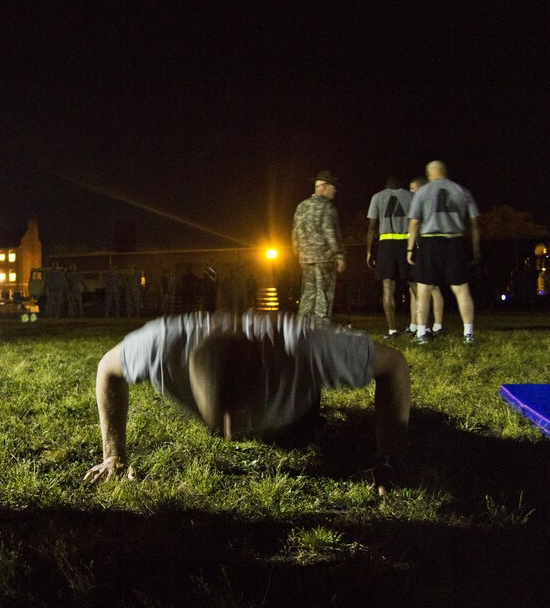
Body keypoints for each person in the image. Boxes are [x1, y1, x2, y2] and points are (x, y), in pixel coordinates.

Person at [82, 311, 411, 494]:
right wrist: (113, 456)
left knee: (297, 436)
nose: (229, 433)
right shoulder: (161, 345)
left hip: (295, 417)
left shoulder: (306, 348)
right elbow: (107, 369)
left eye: (239, 413)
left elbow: (393, 365)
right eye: (218, 413)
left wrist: (389, 460)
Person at [407, 161, 480, 344]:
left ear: (429, 174)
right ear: (444, 172)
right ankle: (468, 334)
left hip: (430, 242)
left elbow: (414, 222)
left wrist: (410, 248)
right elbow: (474, 223)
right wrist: (475, 249)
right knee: (461, 289)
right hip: (454, 241)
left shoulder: (422, 192)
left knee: (423, 289)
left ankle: (422, 334)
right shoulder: (462, 191)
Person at [292, 171, 345, 322]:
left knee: (308, 294)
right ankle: (321, 327)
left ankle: (302, 327)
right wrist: (339, 256)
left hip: (306, 259)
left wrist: (299, 252)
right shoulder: (327, 207)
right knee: (324, 293)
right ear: (324, 187)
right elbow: (330, 233)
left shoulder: (301, 206)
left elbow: (294, 232)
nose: (334, 191)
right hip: (325, 259)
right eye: (332, 187)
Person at [365, 176, 414, 338]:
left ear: (385, 185)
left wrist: (369, 251)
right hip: (406, 242)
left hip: (386, 243)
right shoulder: (409, 196)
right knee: (415, 286)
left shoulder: (377, 197)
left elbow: (372, 227)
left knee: (388, 287)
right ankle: (421, 327)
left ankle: (392, 330)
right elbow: (416, 221)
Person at [408, 177, 445, 336]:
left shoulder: (423, 202)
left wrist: (411, 248)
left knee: (432, 288)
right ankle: (417, 325)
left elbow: (415, 224)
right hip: (427, 246)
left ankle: (434, 325)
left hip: (427, 246)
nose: (410, 191)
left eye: (413, 188)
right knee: (415, 288)